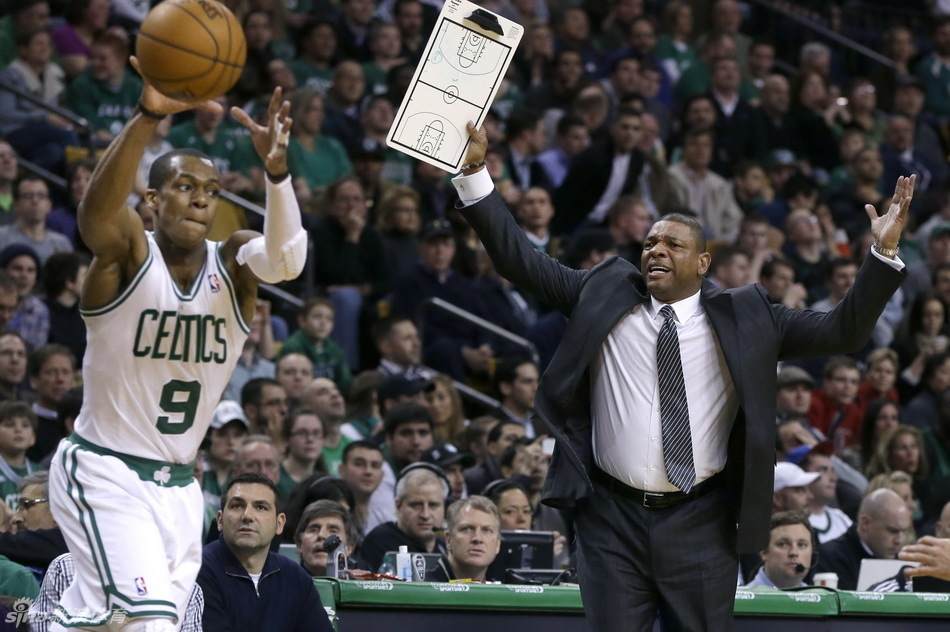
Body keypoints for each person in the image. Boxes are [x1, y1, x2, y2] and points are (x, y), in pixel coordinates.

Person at [452, 122, 913, 631]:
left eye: (673, 243)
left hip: (701, 520)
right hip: (611, 517)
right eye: (650, 242)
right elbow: (520, 261)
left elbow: (842, 331)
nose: (656, 250)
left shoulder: (749, 317)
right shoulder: (603, 293)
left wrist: (882, 255)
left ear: (703, 261)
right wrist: (475, 174)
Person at [47, 71, 307, 631]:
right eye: (185, 186)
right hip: (104, 470)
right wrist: (146, 116)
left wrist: (276, 172)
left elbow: (288, 260)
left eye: (211, 191)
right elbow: (95, 217)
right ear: (153, 197)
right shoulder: (128, 255)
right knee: (153, 622)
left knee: (111, 623)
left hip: (181, 489)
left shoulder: (233, 261)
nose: (199, 200)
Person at [197, 473, 333, 631]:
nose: (247, 515)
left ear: (279, 523)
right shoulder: (199, 570)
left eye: (260, 507)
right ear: (220, 520)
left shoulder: (295, 576)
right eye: (237, 505)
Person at [815, 488, 912, 590]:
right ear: (865, 523)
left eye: (904, 531)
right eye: (892, 531)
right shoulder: (830, 558)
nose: (899, 540)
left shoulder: (904, 558)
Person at [360, 467, 448, 572]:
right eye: (416, 505)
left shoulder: (448, 545)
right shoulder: (380, 542)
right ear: (398, 506)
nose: (425, 515)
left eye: (433, 505)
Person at [279, 296, 352, 393]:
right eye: (317, 317)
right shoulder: (293, 346)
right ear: (302, 321)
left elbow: (346, 382)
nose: (323, 323)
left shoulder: (334, 347)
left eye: (329, 319)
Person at [426, 496, 501, 582]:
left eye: (487, 530)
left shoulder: (503, 593)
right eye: (467, 529)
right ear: (448, 539)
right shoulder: (423, 590)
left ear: (497, 544)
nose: (477, 538)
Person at [743, 510, 816, 589]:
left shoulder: (822, 599)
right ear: (764, 551)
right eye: (783, 544)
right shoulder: (740, 600)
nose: (794, 552)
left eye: (802, 545)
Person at [294, 499, 362, 577]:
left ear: (348, 547)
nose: (322, 535)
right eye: (313, 530)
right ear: (299, 544)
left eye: (333, 531)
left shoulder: (362, 587)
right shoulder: (283, 585)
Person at [0, 401, 42, 512]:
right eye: (9, 425)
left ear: (33, 437)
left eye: (25, 425)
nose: (18, 430)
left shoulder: (41, 473)